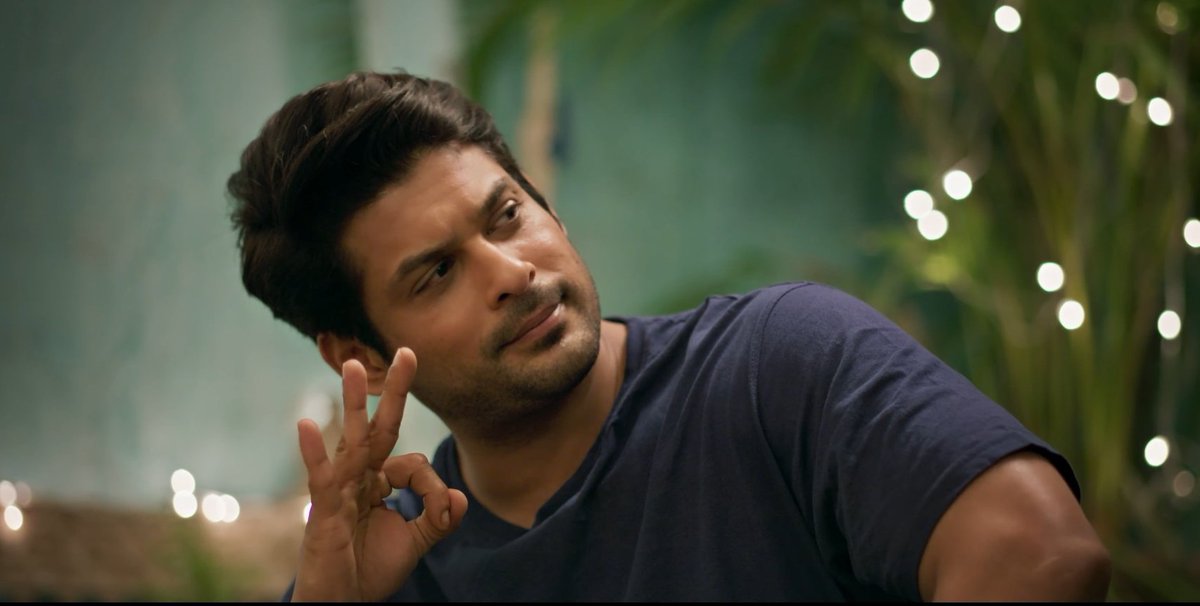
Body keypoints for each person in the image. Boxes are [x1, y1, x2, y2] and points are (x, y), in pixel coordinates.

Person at [226, 70, 1111, 602]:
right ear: (361, 355)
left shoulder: (777, 364)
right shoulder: (394, 559)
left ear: (549, 207)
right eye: (436, 273)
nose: (511, 272)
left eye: (507, 216)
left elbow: (1039, 554)